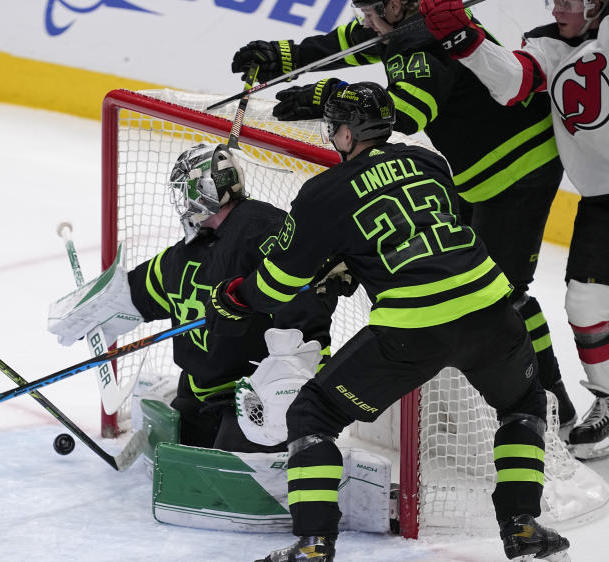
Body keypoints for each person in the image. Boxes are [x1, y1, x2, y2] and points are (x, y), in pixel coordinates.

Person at [205, 82, 570, 562]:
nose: (331, 136)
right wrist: (353, 263)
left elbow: (277, 285)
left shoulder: (324, 192)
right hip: (491, 310)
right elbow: (429, 233)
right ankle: (525, 532)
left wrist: (236, 296)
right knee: (523, 404)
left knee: (312, 414)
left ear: (349, 132)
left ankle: (311, 550)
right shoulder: (429, 160)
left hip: (414, 330)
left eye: (334, 128)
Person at [229, 0, 578, 431]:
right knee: (476, 285)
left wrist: (331, 98)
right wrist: (289, 56)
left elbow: (405, 115)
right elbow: (360, 41)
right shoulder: (407, 23)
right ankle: (534, 393)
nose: (367, 23)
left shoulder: (427, 42)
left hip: (517, 168)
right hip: (475, 171)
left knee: (499, 293)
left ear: (396, 6)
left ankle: (554, 400)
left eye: (372, 12)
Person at [47, 142, 342, 453]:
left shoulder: (261, 227)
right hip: (200, 394)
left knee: (228, 470)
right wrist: (104, 305)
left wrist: (297, 370)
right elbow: (142, 289)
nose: (181, 201)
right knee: (181, 452)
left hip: (253, 398)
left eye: (183, 190)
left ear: (201, 191)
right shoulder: (189, 251)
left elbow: (305, 295)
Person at [418, 0, 609, 460]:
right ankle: (607, 401)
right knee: (584, 304)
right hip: (603, 197)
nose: (560, 6)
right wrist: (462, 39)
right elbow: (510, 84)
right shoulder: (547, 41)